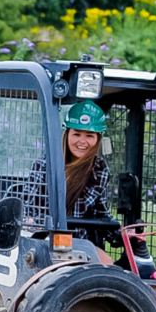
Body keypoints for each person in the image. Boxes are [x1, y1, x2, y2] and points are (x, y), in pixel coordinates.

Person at [26, 99, 110, 240]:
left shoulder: (99, 169)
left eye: (89, 135)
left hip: (82, 245)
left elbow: (101, 214)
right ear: (67, 134)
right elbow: (28, 207)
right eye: (77, 134)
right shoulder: (46, 164)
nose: (82, 141)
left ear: (98, 139)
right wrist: (32, 222)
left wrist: (120, 233)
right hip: (45, 241)